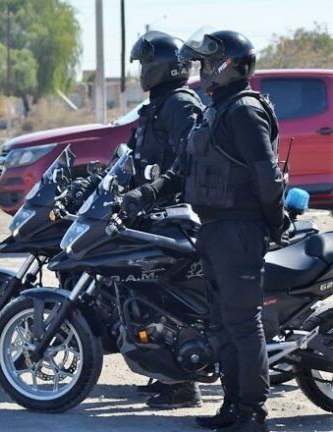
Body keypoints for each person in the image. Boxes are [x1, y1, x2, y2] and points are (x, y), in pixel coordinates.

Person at [122, 29, 287, 432]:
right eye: (200, 65)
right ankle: (231, 407)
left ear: (229, 66)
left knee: (245, 325)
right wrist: (141, 195)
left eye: (208, 65)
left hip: (238, 230)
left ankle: (252, 413)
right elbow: (180, 171)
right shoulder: (216, 110)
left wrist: (273, 222)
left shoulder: (245, 110)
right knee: (223, 324)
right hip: (212, 230)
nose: (203, 73)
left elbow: (267, 178)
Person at [127, 31, 206, 410]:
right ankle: (163, 373)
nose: (142, 71)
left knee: (171, 298)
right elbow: (136, 156)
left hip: (176, 216)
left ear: (161, 65)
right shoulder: (158, 104)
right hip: (154, 212)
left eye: (145, 63)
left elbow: (186, 161)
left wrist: (156, 190)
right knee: (148, 296)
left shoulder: (180, 104)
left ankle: (183, 385)